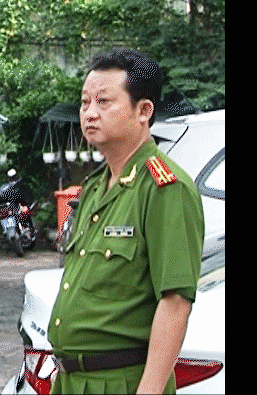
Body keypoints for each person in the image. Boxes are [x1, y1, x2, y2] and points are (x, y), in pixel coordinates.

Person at [47, 49, 205, 394]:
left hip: (120, 382)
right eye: (85, 102)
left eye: (104, 102)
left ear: (144, 111)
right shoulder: (93, 188)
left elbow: (176, 301)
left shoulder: (165, 188)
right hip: (72, 381)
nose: (90, 113)